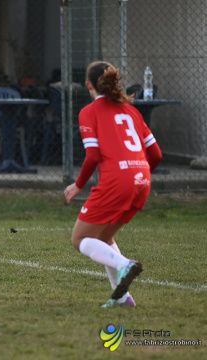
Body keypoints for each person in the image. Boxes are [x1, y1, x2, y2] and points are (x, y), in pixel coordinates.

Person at [63, 61, 162, 308]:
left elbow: (93, 156)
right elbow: (157, 155)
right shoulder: (132, 111)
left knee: (80, 240)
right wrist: (138, 175)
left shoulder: (89, 111)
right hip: (142, 180)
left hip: (118, 181)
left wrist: (77, 185)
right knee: (104, 237)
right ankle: (122, 297)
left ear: (88, 85)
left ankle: (124, 264)